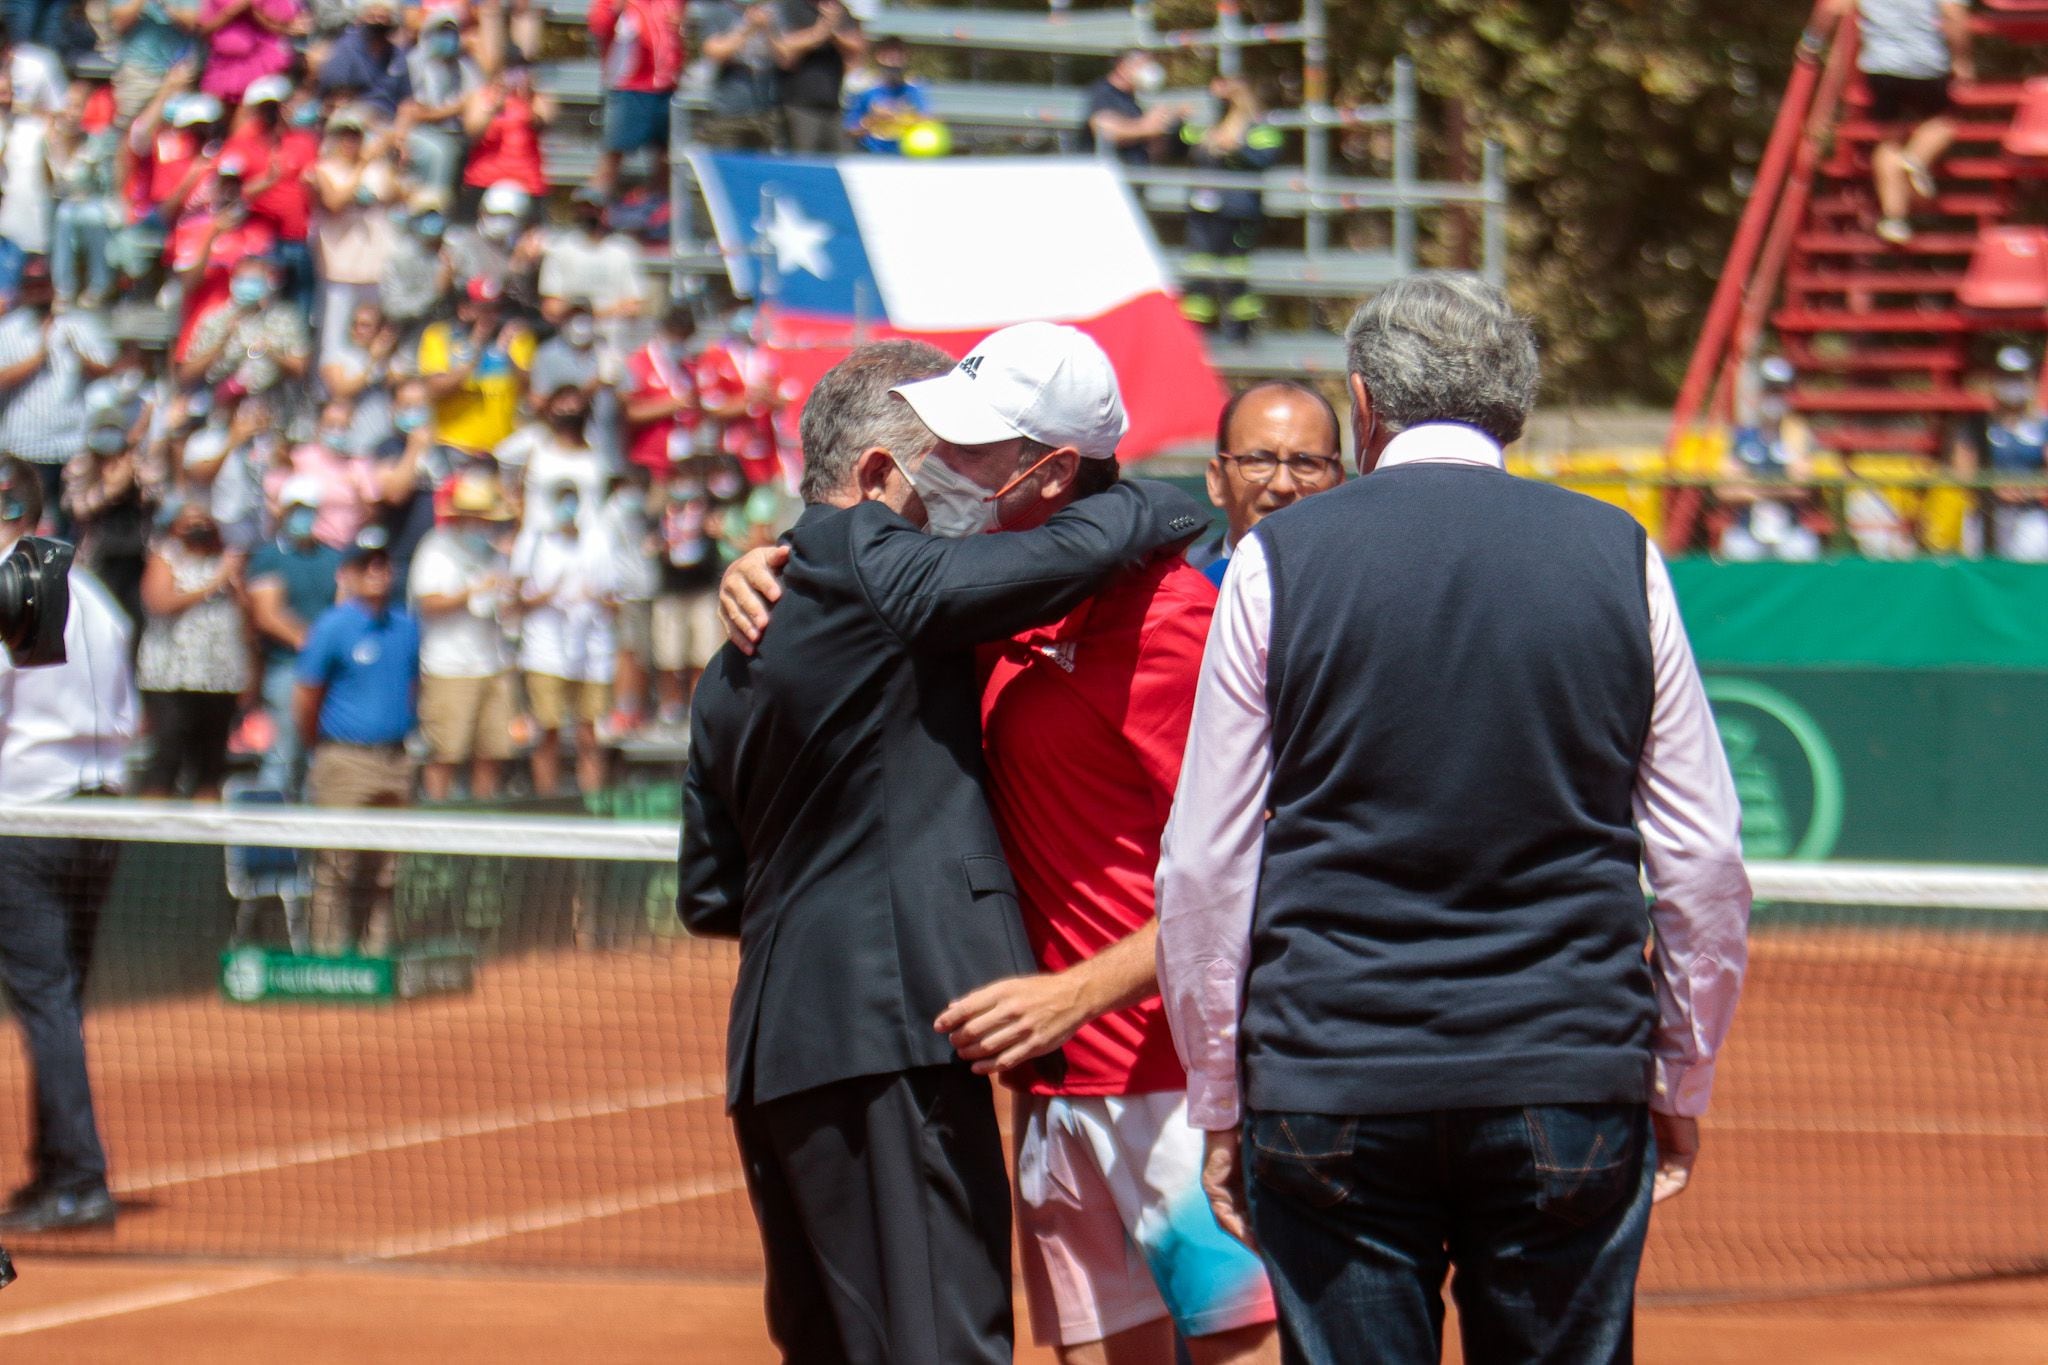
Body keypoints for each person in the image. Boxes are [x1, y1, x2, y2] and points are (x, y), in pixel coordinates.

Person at [1155, 274, 1754, 1365]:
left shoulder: (1274, 563)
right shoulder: (1618, 555)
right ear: (1510, 409)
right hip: (1566, 1075)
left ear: (1362, 405)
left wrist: (1217, 1095)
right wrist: (1675, 1071)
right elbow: (1703, 860)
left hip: (1326, 1080)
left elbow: (1204, 864)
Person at [720, 325, 1280, 1365]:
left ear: (1050, 471)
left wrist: (1077, 992)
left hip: (1175, 1092)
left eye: (972, 453)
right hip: (1052, 1096)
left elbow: (1258, 873)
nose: (942, 470)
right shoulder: (971, 606)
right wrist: (766, 563)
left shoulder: (1176, 624)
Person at [0, 456, 139, 1236]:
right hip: (105, 816)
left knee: (46, 999)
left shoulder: (8, 591)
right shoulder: (91, 591)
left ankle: (78, 1178)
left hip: (28, 816)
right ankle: (57, 1167)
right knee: (60, 996)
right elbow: (130, 707)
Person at [295, 535, 420, 957]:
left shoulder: (406, 626)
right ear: (348, 573)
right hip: (344, 759)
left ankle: (375, 961)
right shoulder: (332, 627)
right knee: (335, 869)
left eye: (383, 564)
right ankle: (328, 964)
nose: (377, 573)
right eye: (366, 564)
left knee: (386, 871)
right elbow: (306, 696)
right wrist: (322, 749)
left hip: (396, 759)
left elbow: (413, 686)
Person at [1806, 0, 1971, 246]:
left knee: (1889, 140)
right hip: (1927, 65)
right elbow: (1954, 14)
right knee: (1943, 122)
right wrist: (1962, 60)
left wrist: (1810, 44)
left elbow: (1830, 8)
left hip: (1880, 67)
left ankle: (1895, 221)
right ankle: (1915, 159)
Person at [409, 470, 516, 799]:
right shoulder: (436, 549)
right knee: (445, 754)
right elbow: (427, 603)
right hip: (449, 667)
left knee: (493, 752)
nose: (482, 524)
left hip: (492, 662)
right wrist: (470, 592)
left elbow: (503, 603)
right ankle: (438, 829)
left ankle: (485, 822)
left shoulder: (492, 553)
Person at [136, 499, 249, 799]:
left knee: (211, 763)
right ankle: (150, 837)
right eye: (190, 520)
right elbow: (160, 602)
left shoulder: (225, 561)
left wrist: (234, 582)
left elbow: (247, 617)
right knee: (167, 756)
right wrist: (213, 583)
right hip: (174, 676)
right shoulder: (166, 559)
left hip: (219, 677)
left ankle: (205, 838)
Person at [513, 481, 616, 795]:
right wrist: (548, 595)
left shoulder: (598, 541)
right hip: (546, 650)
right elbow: (516, 599)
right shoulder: (534, 541)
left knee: (590, 733)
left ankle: (592, 798)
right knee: (548, 730)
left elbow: (616, 599)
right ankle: (547, 800)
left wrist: (594, 597)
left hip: (592, 652)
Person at [1186, 380, 1343, 585]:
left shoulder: (1364, 589)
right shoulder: (1169, 589)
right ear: (1217, 481)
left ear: (1340, 483)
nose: (1282, 485)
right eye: (1259, 461)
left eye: (1305, 463)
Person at [245, 478, 343, 795]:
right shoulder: (269, 557)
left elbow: (343, 605)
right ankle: (270, 840)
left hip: (328, 672)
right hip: (287, 667)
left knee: (321, 757)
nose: (303, 517)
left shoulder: (333, 557)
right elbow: (267, 614)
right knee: (283, 755)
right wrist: (316, 643)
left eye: (309, 510)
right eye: (297, 510)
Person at [0, 260, 116, 524]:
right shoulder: (8, 330)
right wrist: (36, 358)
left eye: (44, 285)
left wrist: (79, 354)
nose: (40, 292)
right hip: (23, 446)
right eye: (33, 285)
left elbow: (110, 368)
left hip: (70, 445)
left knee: (69, 524)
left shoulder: (76, 325)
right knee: (26, 521)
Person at [1178, 78, 1283, 342]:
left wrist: (1235, 147)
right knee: (1198, 274)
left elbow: (1265, 157)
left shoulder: (1258, 128)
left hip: (1239, 213)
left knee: (1234, 275)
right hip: (1203, 211)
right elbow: (1179, 142)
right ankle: (1195, 336)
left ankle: (1240, 335)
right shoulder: (1205, 126)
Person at [417, 275, 534, 456]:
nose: (491, 316)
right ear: (465, 309)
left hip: (502, 447)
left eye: (496, 309)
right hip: (454, 445)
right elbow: (435, 388)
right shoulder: (439, 336)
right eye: (484, 309)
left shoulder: (516, 338)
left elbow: (530, 391)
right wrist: (476, 346)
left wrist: (508, 356)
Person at [586, 0, 683, 195]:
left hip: (666, 86)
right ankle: (595, 208)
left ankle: (656, 210)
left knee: (666, 156)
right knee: (614, 153)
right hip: (629, 86)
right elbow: (598, 27)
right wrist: (616, 10)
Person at [772, 0, 862, 154]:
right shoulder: (788, 7)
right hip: (799, 105)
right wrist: (822, 29)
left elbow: (857, 47)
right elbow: (784, 49)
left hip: (833, 106)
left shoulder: (840, 11)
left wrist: (833, 30)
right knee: (803, 160)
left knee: (842, 157)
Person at [695, 0, 780, 151]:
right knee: (729, 166)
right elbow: (715, 52)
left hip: (766, 112)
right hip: (729, 113)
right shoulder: (718, 12)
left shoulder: (771, 14)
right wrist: (748, 27)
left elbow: (785, 58)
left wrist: (768, 30)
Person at [1081, 49, 1185, 166]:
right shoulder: (1104, 93)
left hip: (1135, 176)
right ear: (1122, 66)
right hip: (1112, 175)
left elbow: (1153, 150)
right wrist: (1146, 127)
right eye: (1143, 64)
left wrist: (1165, 125)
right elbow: (1104, 129)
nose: (1148, 70)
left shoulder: (1131, 101)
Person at [844, 37, 927, 154]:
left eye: (899, 53)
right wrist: (873, 120)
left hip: (904, 154)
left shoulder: (914, 89)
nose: (894, 59)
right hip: (871, 153)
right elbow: (850, 129)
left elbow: (928, 119)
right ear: (879, 56)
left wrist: (902, 117)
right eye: (889, 54)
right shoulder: (865, 88)